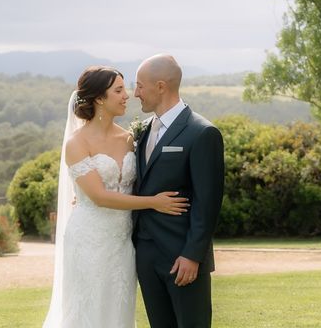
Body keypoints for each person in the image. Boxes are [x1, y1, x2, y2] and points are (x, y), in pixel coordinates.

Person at [43, 66, 189, 328]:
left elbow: (139, 181)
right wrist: (154, 202)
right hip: (89, 239)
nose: (127, 96)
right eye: (119, 90)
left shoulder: (130, 138)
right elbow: (99, 196)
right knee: (88, 311)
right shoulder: (77, 143)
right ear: (99, 98)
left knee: (117, 310)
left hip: (122, 242)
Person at [133, 54, 225, 328]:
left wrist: (193, 255)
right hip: (147, 256)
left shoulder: (202, 132)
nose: (135, 93)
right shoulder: (146, 131)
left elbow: (207, 202)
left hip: (182, 257)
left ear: (160, 86)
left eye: (139, 85)